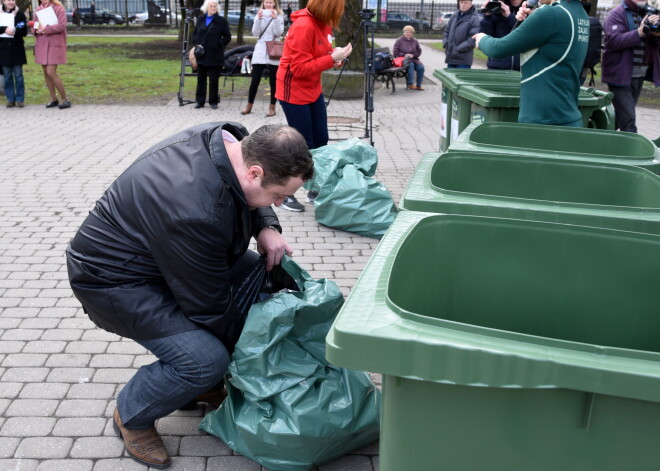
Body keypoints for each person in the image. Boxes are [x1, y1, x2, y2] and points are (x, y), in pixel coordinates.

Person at [66, 122, 314, 469]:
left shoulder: (233, 141)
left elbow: (256, 193)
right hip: (114, 282)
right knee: (205, 357)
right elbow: (210, 308)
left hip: (163, 257)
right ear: (255, 172)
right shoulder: (195, 209)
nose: (279, 202)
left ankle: (199, 388)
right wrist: (246, 354)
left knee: (261, 277)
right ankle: (133, 413)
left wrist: (267, 225)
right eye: (278, 196)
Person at [275, 0, 352, 212]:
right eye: (337, 10)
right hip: (294, 92)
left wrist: (334, 58)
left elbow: (318, 56)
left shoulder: (322, 23)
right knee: (302, 145)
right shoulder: (303, 26)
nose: (339, 14)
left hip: (313, 90)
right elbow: (299, 68)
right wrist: (330, 59)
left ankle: (314, 189)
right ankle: (284, 193)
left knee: (320, 139)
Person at [474, 0, 589, 126]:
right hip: (567, 116)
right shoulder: (579, 13)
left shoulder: (550, 14)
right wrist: (532, 19)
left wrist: (482, 39)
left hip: (542, 121)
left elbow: (498, 49)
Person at [601, 0, 660, 133]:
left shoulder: (648, 13)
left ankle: (596, 134)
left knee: (621, 116)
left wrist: (657, 34)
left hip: (639, 74)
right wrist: (640, 31)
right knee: (629, 121)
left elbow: (652, 43)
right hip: (619, 75)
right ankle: (631, 152)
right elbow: (614, 41)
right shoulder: (617, 14)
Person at [241, 0, 284, 117]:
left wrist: (275, 19)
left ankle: (272, 107)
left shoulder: (279, 15)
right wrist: (259, 19)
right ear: (263, 3)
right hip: (261, 49)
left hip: (274, 48)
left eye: (271, 2)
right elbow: (255, 33)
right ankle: (249, 106)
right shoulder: (259, 14)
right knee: (255, 80)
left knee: (273, 81)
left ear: (274, 3)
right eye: (266, 2)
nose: (268, 5)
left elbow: (279, 32)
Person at [192, 0, 231, 109]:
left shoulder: (221, 21)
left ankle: (213, 101)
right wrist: (196, 42)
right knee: (201, 79)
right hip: (202, 54)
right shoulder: (200, 19)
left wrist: (219, 43)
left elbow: (227, 36)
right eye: (211, 6)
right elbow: (195, 33)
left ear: (217, 8)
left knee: (214, 80)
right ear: (206, 7)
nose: (213, 8)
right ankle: (200, 101)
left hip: (215, 54)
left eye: (215, 6)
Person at [33, 0, 70, 109]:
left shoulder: (58, 8)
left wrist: (47, 29)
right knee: (46, 72)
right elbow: (35, 24)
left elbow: (62, 25)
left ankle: (65, 99)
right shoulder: (38, 9)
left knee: (51, 71)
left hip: (54, 43)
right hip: (42, 43)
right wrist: (36, 30)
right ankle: (53, 98)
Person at [479, 0, 522, 70]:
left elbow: (525, 32)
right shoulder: (497, 8)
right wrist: (487, 16)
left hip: (520, 67)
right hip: (497, 65)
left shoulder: (529, 9)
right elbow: (485, 36)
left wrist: (509, 16)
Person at [0, 0, 27, 108]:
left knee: (18, 75)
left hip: (17, 49)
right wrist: (4, 29)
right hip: (3, 50)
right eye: (8, 0)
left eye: (12, 0)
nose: (11, 2)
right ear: (3, 1)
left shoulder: (20, 14)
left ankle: (20, 99)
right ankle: (10, 99)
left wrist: (14, 30)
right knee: (7, 76)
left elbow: (24, 31)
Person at [443, 0, 481, 68]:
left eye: (466, 3)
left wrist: (457, 49)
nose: (463, 5)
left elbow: (472, 39)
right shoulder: (455, 16)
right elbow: (446, 31)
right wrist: (446, 43)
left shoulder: (474, 18)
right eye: (461, 2)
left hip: (463, 60)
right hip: (450, 58)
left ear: (471, 4)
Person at [393, 25, 426, 90]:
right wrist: (404, 55)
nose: (408, 33)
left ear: (412, 33)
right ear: (404, 33)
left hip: (414, 59)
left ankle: (418, 85)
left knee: (421, 67)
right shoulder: (399, 40)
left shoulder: (415, 41)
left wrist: (413, 55)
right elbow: (395, 52)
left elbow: (419, 51)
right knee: (411, 65)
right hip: (403, 60)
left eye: (410, 32)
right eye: (406, 32)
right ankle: (411, 84)